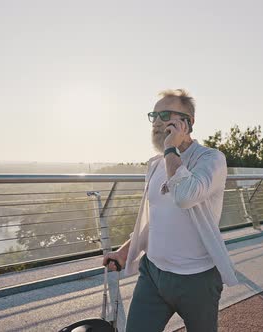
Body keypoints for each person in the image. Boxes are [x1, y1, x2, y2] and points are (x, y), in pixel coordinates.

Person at [103, 89, 240, 332]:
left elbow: (185, 196)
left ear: (188, 123)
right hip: (153, 273)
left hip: (196, 279)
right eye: (153, 115)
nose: (156, 122)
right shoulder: (155, 164)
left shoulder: (211, 159)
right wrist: (125, 252)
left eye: (165, 115)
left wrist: (170, 149)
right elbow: (155, 219)